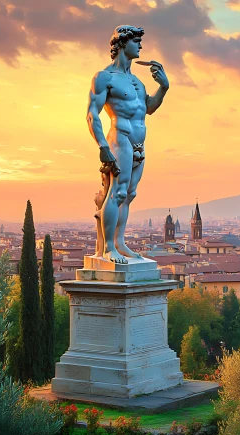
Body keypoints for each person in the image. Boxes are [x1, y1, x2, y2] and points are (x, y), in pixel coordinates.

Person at [87, 25, 169, 264]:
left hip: (139, 143)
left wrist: (163, 88)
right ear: (122, 43)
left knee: (129, 194)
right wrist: (102, 146)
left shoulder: (137, 82)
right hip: (119, 138)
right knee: (118, 191)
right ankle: (108, 249)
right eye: (137, 41)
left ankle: (120, 243)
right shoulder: (105, 77)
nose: (141, 46)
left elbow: (149, 109)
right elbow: (92, 114)